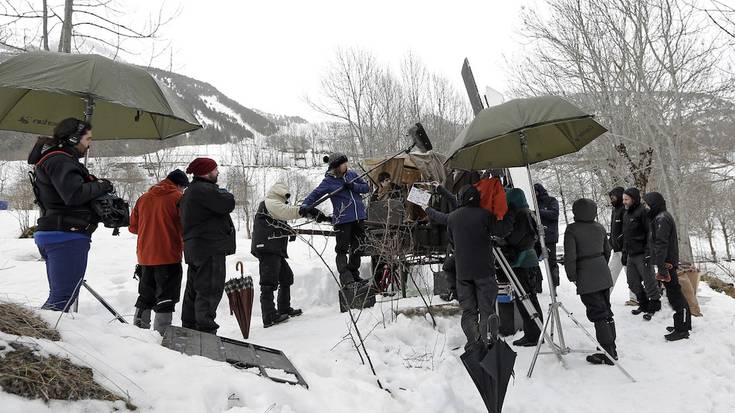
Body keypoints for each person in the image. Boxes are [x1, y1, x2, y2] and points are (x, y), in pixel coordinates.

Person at [28, 118, 114, 311]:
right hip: (66, 234)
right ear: (75, 138)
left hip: (58, 231)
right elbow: (73, 194)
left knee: (61, 296)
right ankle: (40, 338)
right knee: (62, 298)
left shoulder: (56, 159)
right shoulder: (60, 160)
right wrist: (102, 185)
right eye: (88, 139)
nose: (89, 144)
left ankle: (42, 336)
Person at [252, 182, 329, 328]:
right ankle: (269, 316)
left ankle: (283, 308)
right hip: (267, 247)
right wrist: (304, 211)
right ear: (280, 193)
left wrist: (288, 230)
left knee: (286, 277)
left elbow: (276, 220)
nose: (287, 198)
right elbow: (286, 212)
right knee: (268, 283)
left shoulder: (273, 205)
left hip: (274, 248)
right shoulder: (270, 202)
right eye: (286, 195)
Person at [447, 185, 512, 350]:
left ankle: (473, 343)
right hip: (484, 270)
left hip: (463, 272)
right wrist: (509, 213)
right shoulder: (485, 215)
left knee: (468, 311)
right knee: (486, 309)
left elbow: (451, 240)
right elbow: (501, 232)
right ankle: (488, 343)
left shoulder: (453, 217)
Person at [129, 169, 189, 334]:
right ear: (179, 186)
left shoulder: (144, 198)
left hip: (145, 256)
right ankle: (162, 333)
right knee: (166, 296)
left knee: (146, 295)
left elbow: (133, 227)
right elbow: (185, 226)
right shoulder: (178, 198)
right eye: (183, 188)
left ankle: (139, 330)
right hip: (168, 255)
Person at [179, 158, 235, 334]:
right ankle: (205, 331)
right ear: (206, 172)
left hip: (196, 248)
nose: (217, 172)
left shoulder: (190, 191)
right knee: (209, 289)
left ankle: (189, 327)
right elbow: (228, 203)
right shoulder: (204, 190)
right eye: (215, 169)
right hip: (210, 247)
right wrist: (224, 192)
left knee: (194, 290)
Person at [301, 153, 370, 287]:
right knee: (342, 250)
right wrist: (305, 205)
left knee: (358, 248)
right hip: (343, 220)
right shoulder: (328, 181)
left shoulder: (352, 175)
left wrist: (353, 186)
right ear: (336, 166)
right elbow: (315, 194)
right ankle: (346, 279)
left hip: (359, 217)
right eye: (343, 164)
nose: (346, 165)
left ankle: (354, 275)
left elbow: (366, 187)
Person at [563, 198, 618, 365]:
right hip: (602, 272)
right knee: (606, 310)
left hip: (586, 274)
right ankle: (611, 348)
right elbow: (608, 251)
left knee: (598, 313)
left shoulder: (572, 229)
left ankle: (607, 352)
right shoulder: (599, 227)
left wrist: (572, 275)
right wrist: (600, 264)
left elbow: (570, 256)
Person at [643, 192, 691, 341]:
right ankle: (683, 324)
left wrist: (662, 267)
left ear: (654, 203)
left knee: (675, 295)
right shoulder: (659, 217)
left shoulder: (662, 219)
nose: (645, 207)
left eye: (647, 204)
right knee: (673, 293)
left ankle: (682, 329)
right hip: (666, 262)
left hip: (667, 263)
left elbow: (661, 244)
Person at [503, 188, 543, 347]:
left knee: (525, 298)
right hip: (528, 259)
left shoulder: (520, 215)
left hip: (522, 260)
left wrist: (502, 239)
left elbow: (516, 238)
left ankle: (533, 334)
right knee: (529, 297)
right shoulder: (528, 212)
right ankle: (536, 330)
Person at [621, 187, 661, 320]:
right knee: (632, 282)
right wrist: (624, 253)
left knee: (649, 281)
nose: (624, 202)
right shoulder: (626, 214)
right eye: (623, 199)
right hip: (631, 254)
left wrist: (648, 253)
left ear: (634, 199)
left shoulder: (643, 212)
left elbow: (650, 234)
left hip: (643, 253)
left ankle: (654, 306)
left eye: (626, 199)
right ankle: (643, 304)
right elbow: (626, 236)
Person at [425, 183, 459, 301]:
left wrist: (426, 208)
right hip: (463, 249)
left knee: (449, 267)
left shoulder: (456, 216)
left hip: (462, 251)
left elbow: (441, 217)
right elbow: (452, 199)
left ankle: (455, 293)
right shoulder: (467, 211)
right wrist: (439, 188)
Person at [608, 187, 638, 306]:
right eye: (611, 198)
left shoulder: (626, 210)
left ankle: (635, 298)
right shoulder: (614, 210)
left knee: (631, 275)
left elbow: (628, 230)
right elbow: (613, 229)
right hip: (616, 250)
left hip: (626, 250)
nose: (612, 200)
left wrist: (624, 243)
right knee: (610, 273)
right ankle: (604, 297)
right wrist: (611, 242)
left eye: (614, 197)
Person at [534, 183, 560, 288]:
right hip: (535, 237)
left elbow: (554, 214)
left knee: (551, 263)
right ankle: (537, 285)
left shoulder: (551, 200)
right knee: (533, 262)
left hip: (549, 237)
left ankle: (554, 285)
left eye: (535, 192)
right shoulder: (533, 202)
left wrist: (538, 212)